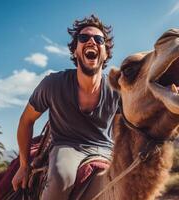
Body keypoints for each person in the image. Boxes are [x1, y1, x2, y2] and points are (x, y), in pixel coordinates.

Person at [11, 14, 120, 200]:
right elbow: (26, 120)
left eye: (99, 39)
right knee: (62, 179)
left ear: (106, 52)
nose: (91, 41)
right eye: (84, 38)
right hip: (66, 146)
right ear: (75, 50)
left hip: (104, 148)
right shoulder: (53, 84)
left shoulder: (116, 89)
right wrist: (23, 165)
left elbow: (119, 131)